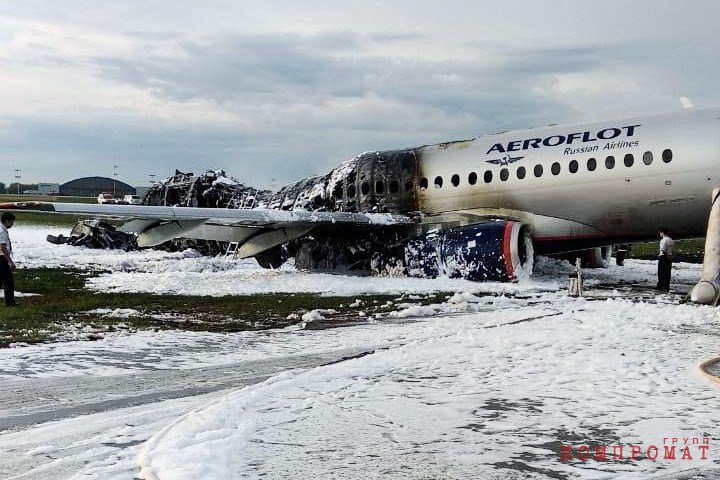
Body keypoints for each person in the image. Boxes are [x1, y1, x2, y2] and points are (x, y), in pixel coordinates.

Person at [0, 212, 16, 306]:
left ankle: (10, 302)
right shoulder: (2, 232)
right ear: (7, 221)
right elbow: (3, 247)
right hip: (2, 258)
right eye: (11, 222)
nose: (12, 224)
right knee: (9, 281)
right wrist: (10, 261)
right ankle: (9, 303)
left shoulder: (1, 229)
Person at [657, 228, 674, 293]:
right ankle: (667, 286)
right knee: (667, 273)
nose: (660, 234)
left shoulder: (663, 240)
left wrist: (665, 256)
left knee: (661, 272)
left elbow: (663, 250)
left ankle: (660, 286)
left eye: (660, 233)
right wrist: (670, 257)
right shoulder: (671, 240)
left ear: (662, 233)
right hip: (670, 257)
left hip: (663, 257)